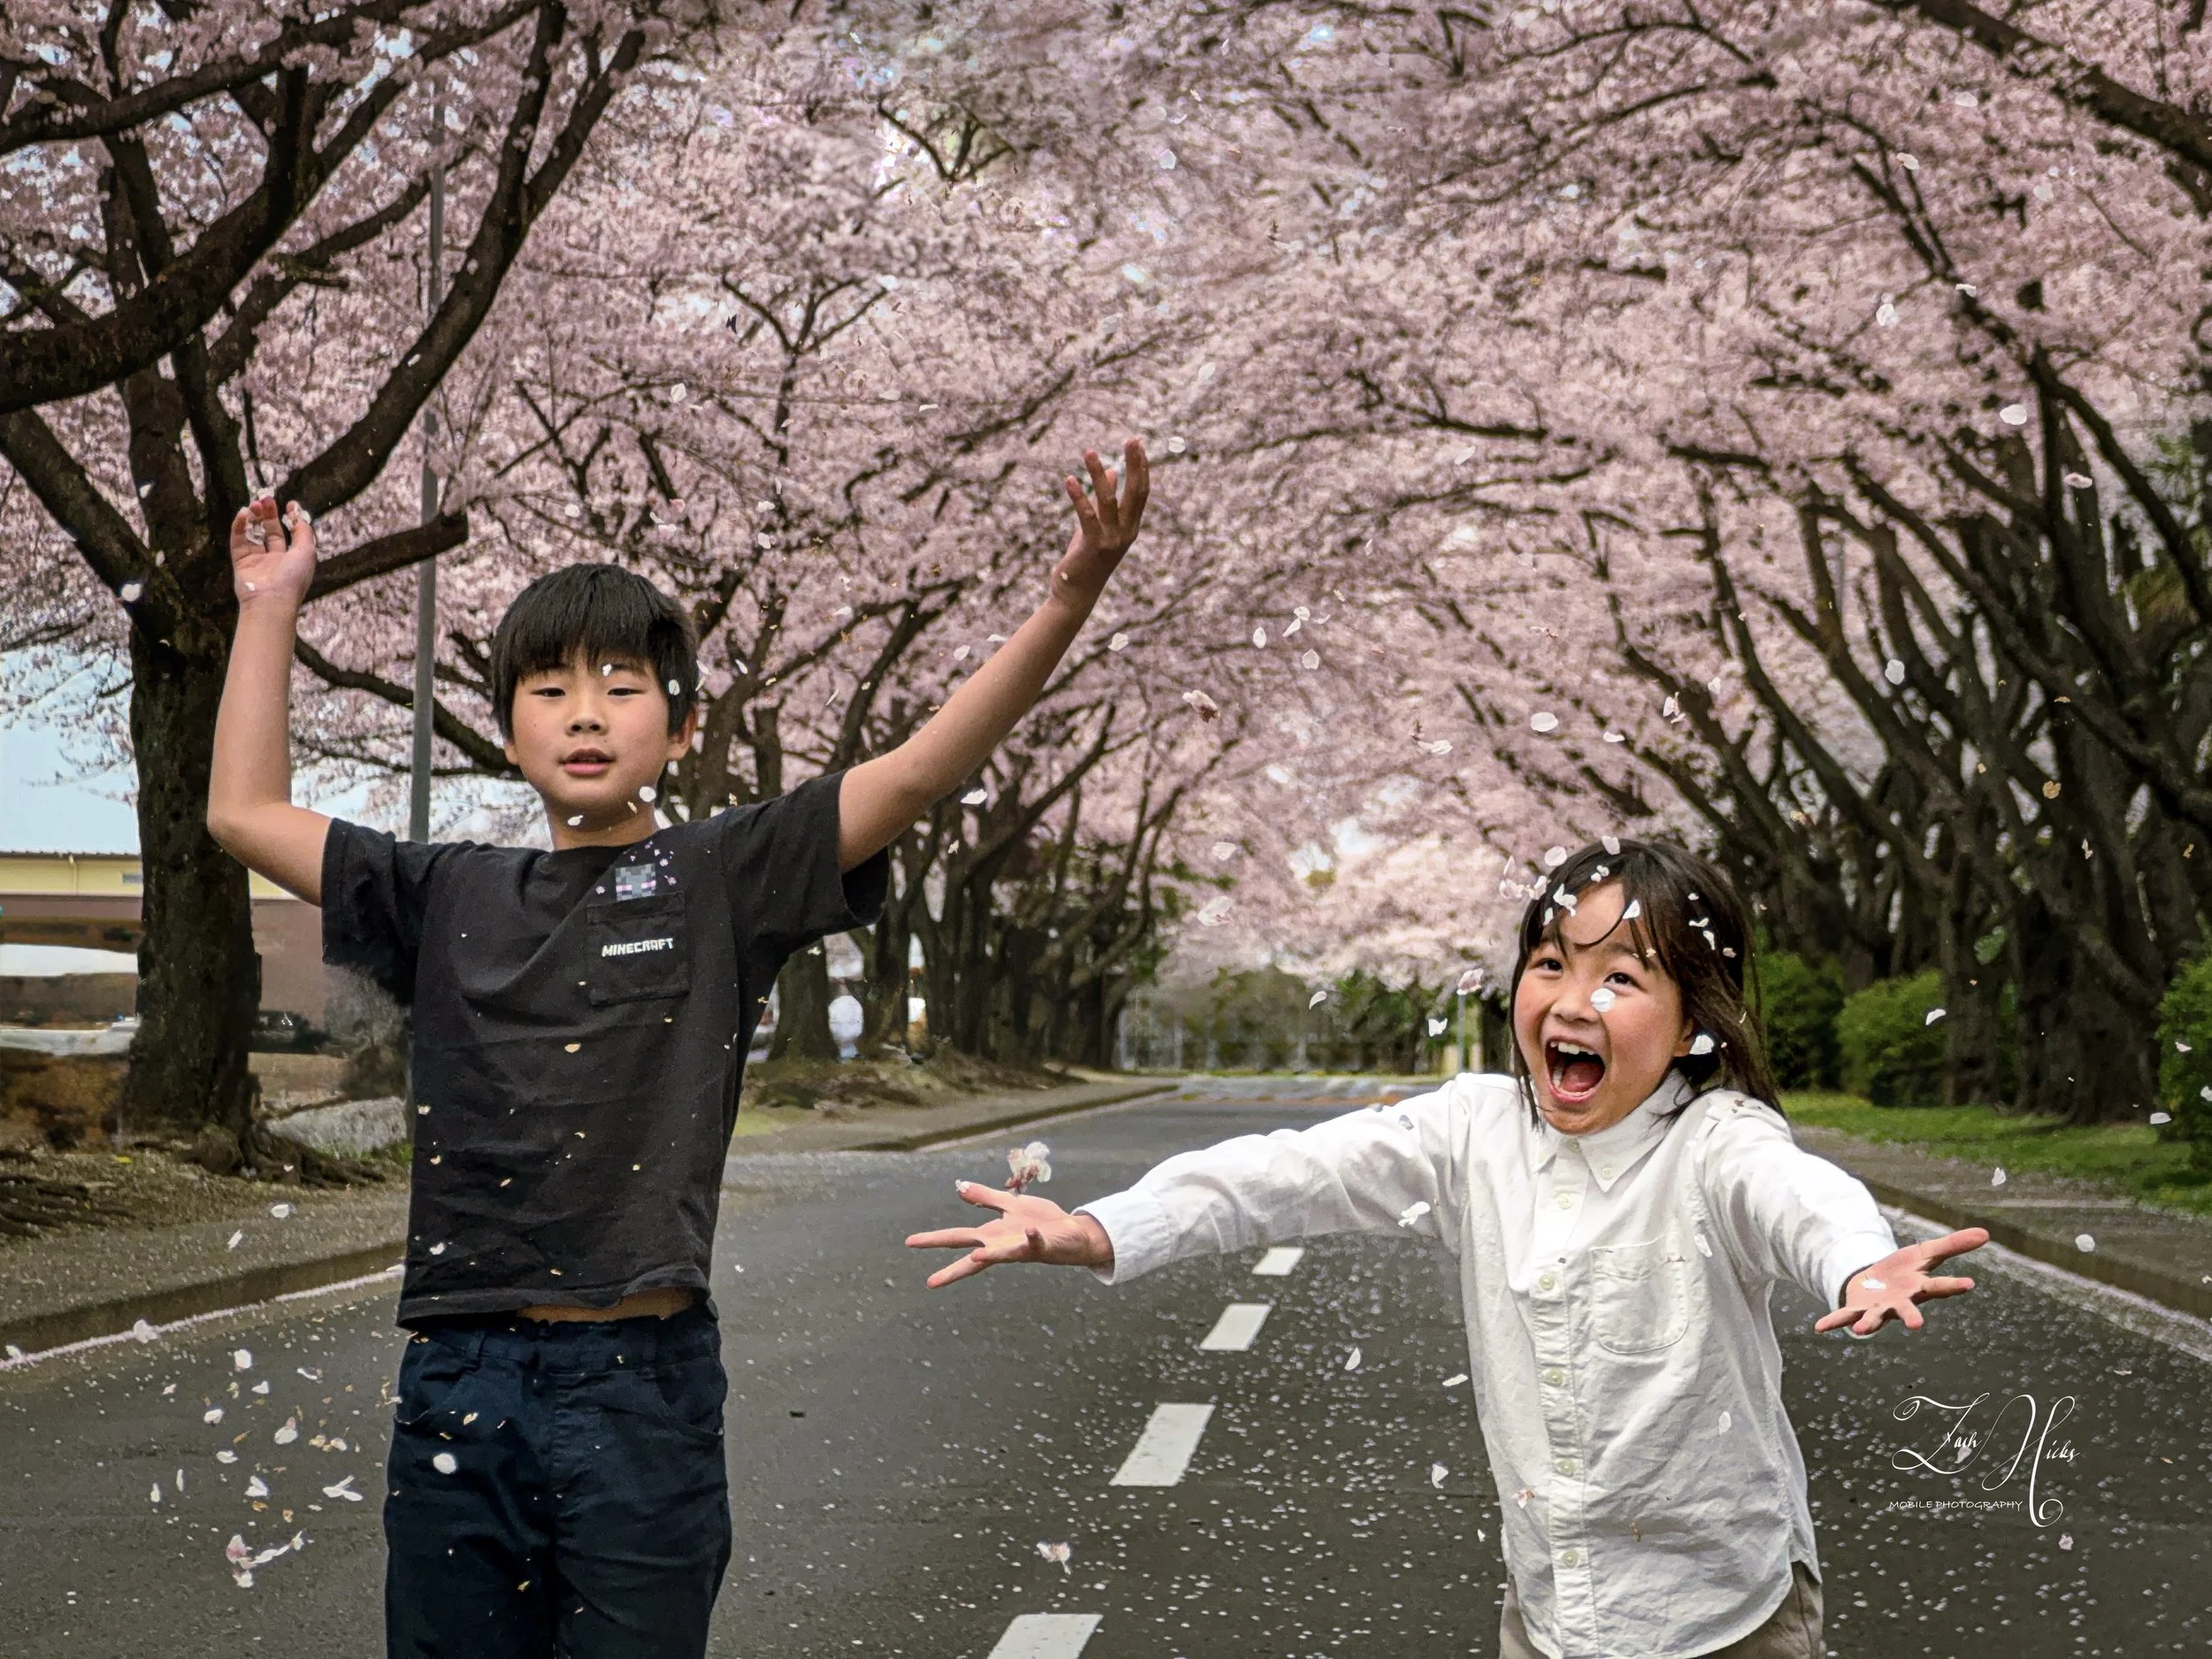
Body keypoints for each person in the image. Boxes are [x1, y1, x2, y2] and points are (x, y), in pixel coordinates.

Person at [205, 438, 1148, 1658]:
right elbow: (242, 811)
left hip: (639, 1384)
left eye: (620, 682)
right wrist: (271, 608)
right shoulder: (443, 889)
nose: (585, 711)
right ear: (507, 729)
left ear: (684, 720)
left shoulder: (722, 875)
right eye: (547, 687)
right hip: (460, 1374)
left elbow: (918, 772)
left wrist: (1069, 595)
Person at [908, 839, 1990, 1659]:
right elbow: (1289, 1172)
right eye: (1552, 964)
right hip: (1553, 1607)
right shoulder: (1473, 1129)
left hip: (1725, 1617)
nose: (1573, 1001)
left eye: (1623, 979)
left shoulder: (1716, 1145)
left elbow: (1799, 1197)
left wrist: (1859, 1261)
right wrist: (1101, 1227)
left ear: (1695, 1018)